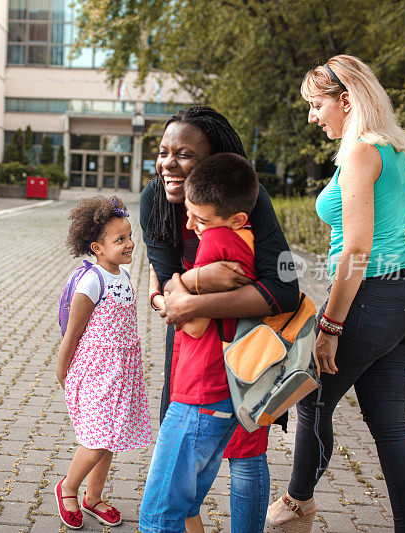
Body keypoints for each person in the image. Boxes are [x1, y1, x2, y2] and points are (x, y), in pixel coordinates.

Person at [264, 55, 405, 533]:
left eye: (317, 105)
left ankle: (297, 506)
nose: (313, 116)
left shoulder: (361, 152)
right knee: (392, 430)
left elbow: (356, 249)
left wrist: (331, 327)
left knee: (311, 398)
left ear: (346, 100)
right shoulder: (391, 148)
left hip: (373, 300)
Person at [140, 105, 299, 532]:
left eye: (185, 154)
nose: (169, 164)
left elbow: (284, 288)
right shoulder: (154, 199)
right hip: (193, 352)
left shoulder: (249, 200)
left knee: (246, 452)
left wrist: (192, 301)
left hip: (250, 350)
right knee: (179, 448)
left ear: (214, 162)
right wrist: (195, 282)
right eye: (163, 152)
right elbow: (163, 288)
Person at [140, 152, 261, 533]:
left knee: (159, 517)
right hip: (224, 394)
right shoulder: (246, 237)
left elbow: (191, 326)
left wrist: (172, 283)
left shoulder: (216, 242)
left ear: (233, 217)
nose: (190, 225)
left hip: (198, 393)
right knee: (186, 503)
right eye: (189, 213)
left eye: (200, 218)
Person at [54, 196, 152, 529]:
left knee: (109, 438)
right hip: (95, 371)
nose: (129, 244)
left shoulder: (123, 275)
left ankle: (93, 497)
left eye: (129, 236)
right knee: (98, 437)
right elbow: (73, 332)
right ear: (97, 247)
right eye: (119, 239)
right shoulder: (91, 280)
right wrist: (62, 367)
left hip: (122, 372)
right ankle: (68, 487)